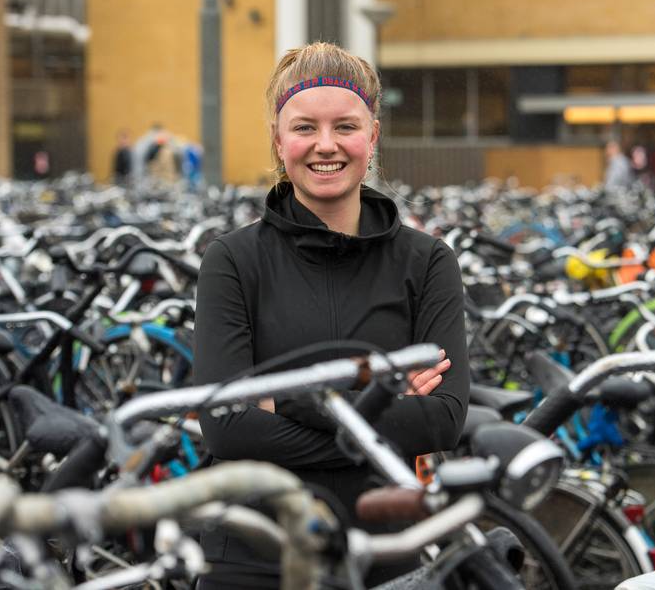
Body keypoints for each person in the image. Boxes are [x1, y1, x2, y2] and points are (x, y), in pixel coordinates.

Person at [193, 42, 469, 589]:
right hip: (256, 553)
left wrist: (282, 399)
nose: (326, 145)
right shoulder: (232, 260)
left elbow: (442, 419)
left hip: (387, 548)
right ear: (278, 139)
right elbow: (226, 428)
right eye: (304, 128)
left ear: (373, 136)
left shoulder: (427, 261)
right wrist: (381, 415)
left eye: (345, 126)